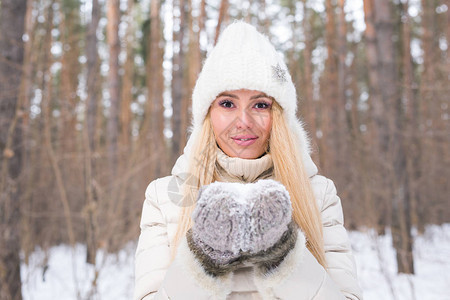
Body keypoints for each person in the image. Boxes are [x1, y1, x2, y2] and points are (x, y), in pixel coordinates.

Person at [134, 21, 363, 300]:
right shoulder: (165, 197)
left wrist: (284, 253)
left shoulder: (318, 194)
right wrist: (202, 257)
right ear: (208, 114)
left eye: (260, 105)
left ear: (278, 115)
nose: (243, 122)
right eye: (227, 104)